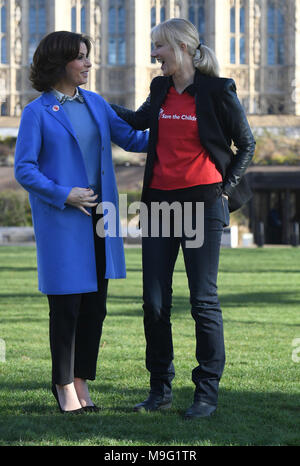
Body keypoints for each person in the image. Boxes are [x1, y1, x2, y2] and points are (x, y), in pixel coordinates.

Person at [111, 18, 255, 418]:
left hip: (203, 203)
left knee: (203, 301)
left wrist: (223, 191)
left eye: (158, 47)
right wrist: (96, 104)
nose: (153, 54)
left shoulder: (217, 89)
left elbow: (246, 143)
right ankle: (160, 389)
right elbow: (138, 122)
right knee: (154, 303)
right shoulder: (159, 89)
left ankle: (206, 393)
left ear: (182, 48)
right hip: (157, 204)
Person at [14, 31, 148, 414]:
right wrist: (63, 194)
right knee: (67, 308)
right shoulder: (36, 112)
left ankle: (80, 381)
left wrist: (179, 124)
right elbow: (24, 169)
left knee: (95, 307)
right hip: (63, 222)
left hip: (101, 220)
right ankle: (62, 384)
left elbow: (135, 140)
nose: (89, 63)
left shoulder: (96, 103)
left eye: (88, 56)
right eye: (81, 57)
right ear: (60, 63)